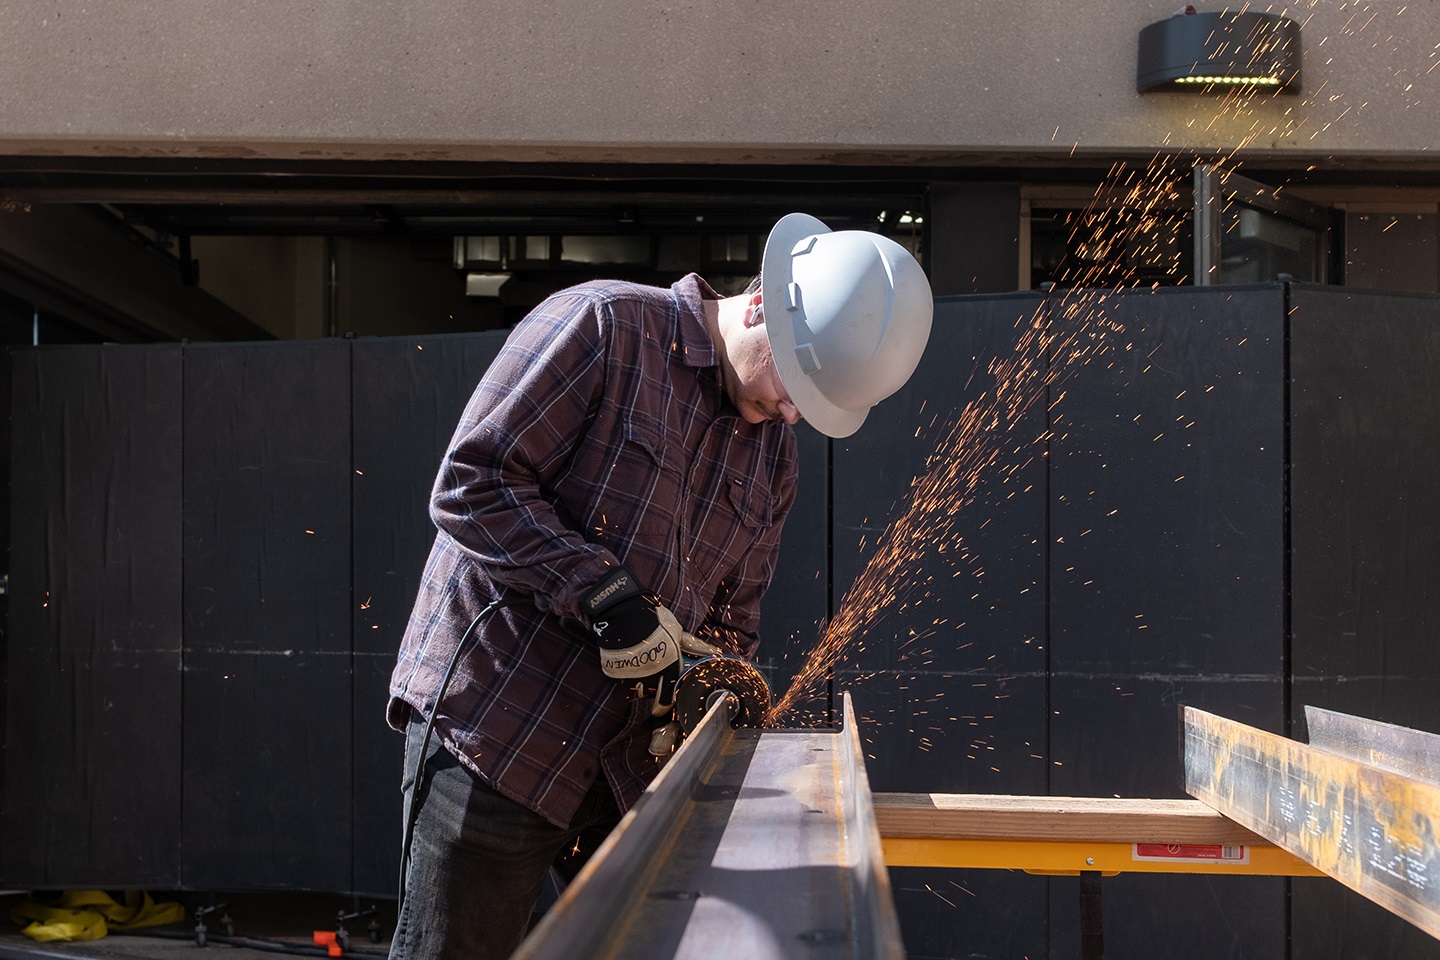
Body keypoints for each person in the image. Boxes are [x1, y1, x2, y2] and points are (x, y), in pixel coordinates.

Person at [384, 212, 933, 960]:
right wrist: (601, 595)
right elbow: (472, 485)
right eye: (796, 383)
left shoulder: (775, 457)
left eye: (812, 403)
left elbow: (732, 619)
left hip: (622, 774)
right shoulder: (605, 327)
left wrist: (718, 683)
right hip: (501, 733)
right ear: (763, 305)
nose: (792, 411)